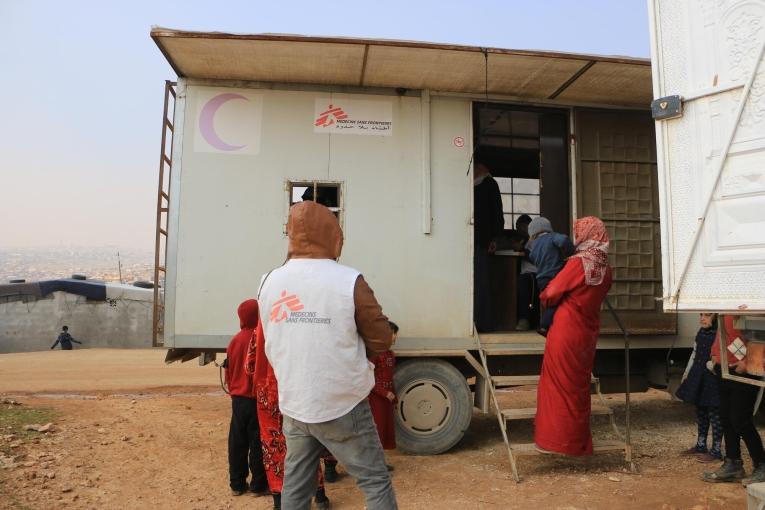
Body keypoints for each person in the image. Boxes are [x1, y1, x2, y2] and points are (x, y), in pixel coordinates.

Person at [256, 200, 397, 510]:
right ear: (334, 235)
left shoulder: (268, 281)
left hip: (295, 402)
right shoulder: (349, 281)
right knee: (374, 482)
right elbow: (381, 339)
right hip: (342, 401)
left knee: (296, 485)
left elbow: (273, 338)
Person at [534, 216, 613, 456]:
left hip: (566, 330)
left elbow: (551, 293)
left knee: (557, 385)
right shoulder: (605, 268)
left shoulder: (578, 263)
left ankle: (556, 442)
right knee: (578, 387)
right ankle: (577, 442)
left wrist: (547, 294)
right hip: (588, 331)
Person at [247, 315, 329, 510]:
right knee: (305, 445)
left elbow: (250, 366)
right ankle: (320, 497)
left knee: (273, 449)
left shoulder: (261, 330)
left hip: (268, 398)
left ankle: (278, 502)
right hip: (297, 392)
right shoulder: (301, 327)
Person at [702, 315, 765, 485]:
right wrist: (715, 354)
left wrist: (747, 362)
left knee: (740, 419)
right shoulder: (727, 303)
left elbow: (760, 334)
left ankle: (762, 464)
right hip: (724, 367)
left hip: (747, 368)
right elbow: (724, 331)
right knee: (726, 417)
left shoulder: (754, 301)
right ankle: (733, 463)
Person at [225, 299, 268, 497]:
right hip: (256, 398)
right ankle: (258, 485)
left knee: (237, 441)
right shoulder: (262, 338)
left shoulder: (234, 340)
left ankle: (237, 484)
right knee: (257, 441)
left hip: (238, 399)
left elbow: (229, 371)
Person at [676, 313, 722, 463]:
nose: (702, 318)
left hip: (713, 378)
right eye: (701, 315)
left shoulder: (719, 334)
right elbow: (694, 354)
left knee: (714, 413)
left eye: (707, 316)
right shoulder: (701, 332)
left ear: (716, 318)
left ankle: (716, 450)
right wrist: (687, 372)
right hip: (698, 375)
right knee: (701, 410)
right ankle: (701, 444)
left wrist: (713, 366)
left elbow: (721, 355)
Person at [526, 217, 574, 336]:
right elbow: (563, 241)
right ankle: (544, 325)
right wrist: (570, 253)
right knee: (559, 301)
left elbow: (531, 257)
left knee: (549, 302)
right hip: (554, 276)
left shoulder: (533, 245)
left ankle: (549, 324)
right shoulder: (552, 237)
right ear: (548, 228)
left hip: (541, 279)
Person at [473, 160, 504, 332]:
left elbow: (497, 213)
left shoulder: (489, 183)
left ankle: (483, 322)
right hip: (474, 239)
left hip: (483, 240)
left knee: (481, 282)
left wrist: (495, 238)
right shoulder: (475, 185)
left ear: (482, 168)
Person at [369, 321, 398, 463]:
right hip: (376, 400)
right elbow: (367, 378)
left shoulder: (390, 354)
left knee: (385, 430)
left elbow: (390, 378)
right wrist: (384, 393)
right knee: (377, 431)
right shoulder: (374, 354)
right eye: (393, 333)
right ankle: (375, 466)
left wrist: (394, 398)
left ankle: (380, 464)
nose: (395, 337)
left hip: (386, 400)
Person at [514, 215, 537, 331]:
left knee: (522, 283)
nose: (518, 229)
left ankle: (524, 319)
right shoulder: (524, 240)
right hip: (525, 273)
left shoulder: (536, 240)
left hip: (533, 274)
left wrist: (522, 250)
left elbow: (537, 258)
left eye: (520, 227)